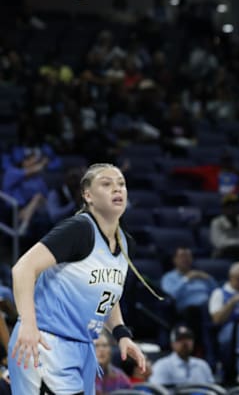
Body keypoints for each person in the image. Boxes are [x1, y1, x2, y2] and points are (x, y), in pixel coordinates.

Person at [8, 163, 146, 394]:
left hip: (83, 347)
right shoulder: (79, 229)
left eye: (121, 184)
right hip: (46, 341)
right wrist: (29, 324)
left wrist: (121, 333)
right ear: (88, 195)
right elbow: (23, 269)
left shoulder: (125, 242)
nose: (117, 189)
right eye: (106, 183)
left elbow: (106, 296)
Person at [208, 261, 239, 384]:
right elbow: (216, 319)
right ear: (231, 278)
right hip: (227, 334)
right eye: (238, 279)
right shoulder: (219, 293)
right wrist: (231, 303)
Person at [149, 324, 215, 386]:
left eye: (188, 338)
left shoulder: (202, 365)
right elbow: (157, 391)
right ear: (172, 344)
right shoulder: (162, 365)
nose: (185, 343)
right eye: (180, 339)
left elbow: (213, 390)